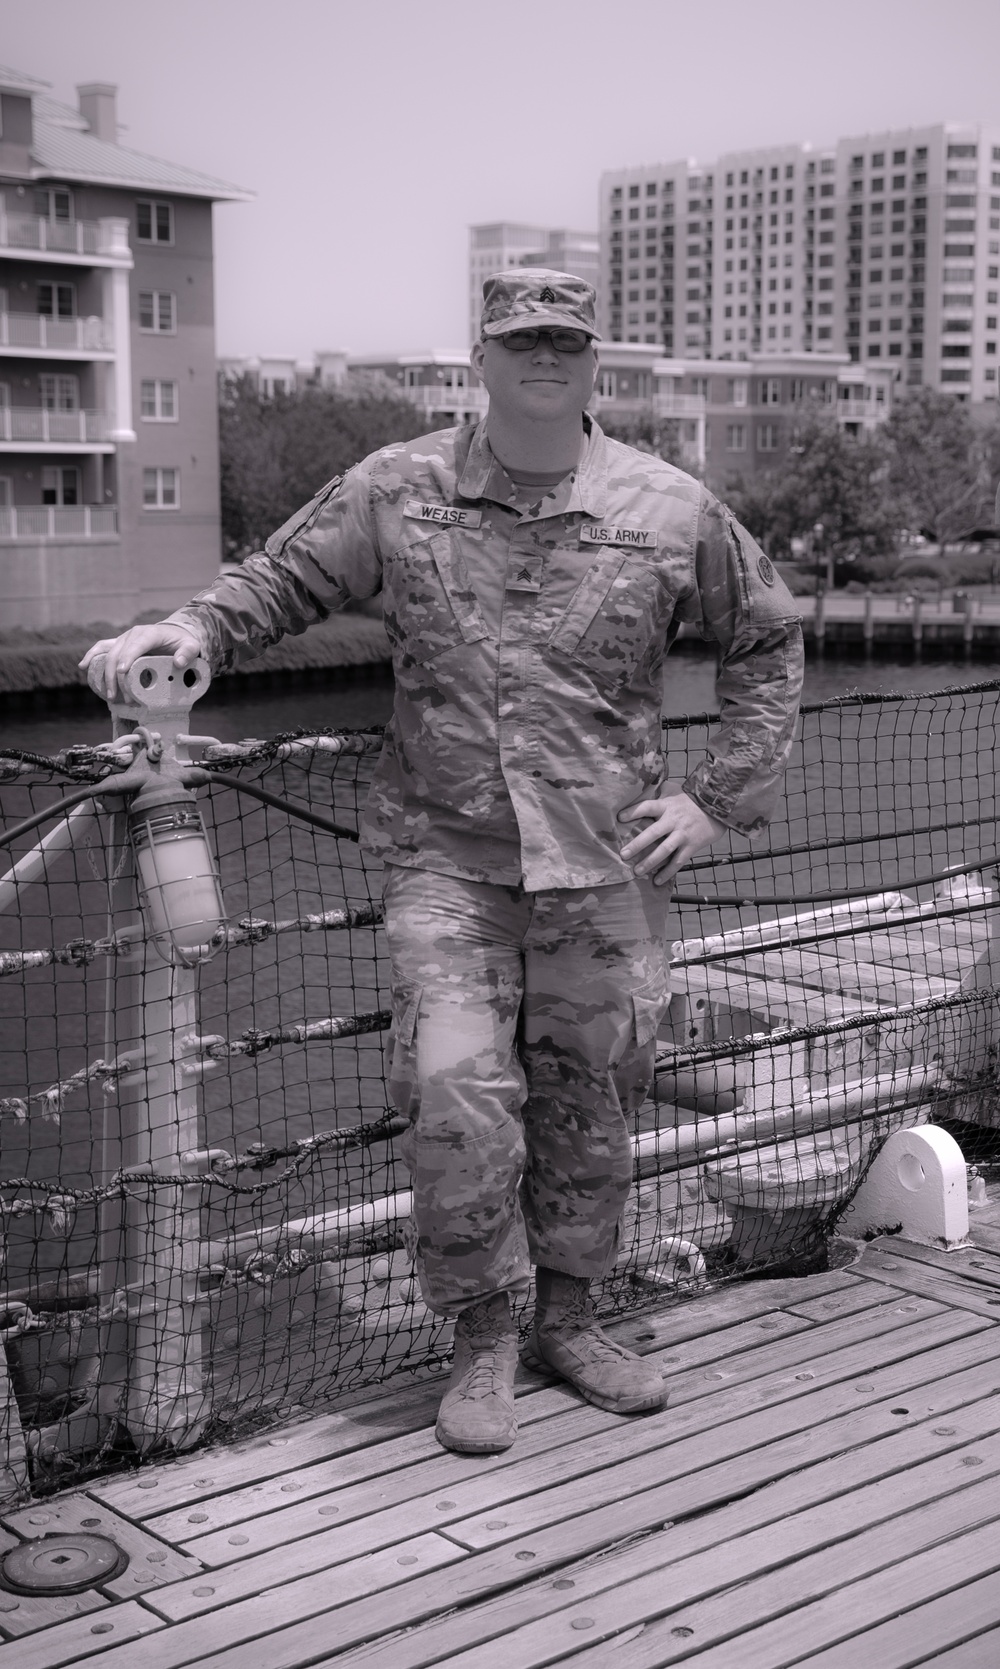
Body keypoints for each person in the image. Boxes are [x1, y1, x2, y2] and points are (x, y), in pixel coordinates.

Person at [83, 269, 804, 1455]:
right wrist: (192, 633)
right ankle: (482, 1337)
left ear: (592, 359)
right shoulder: (398, 487)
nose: (545, 359)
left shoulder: (668, 506)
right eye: (523, 340)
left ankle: (571, 1320)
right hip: (447, 861)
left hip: (606, 865)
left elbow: (768, 642)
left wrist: (717, 800)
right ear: (481, 352)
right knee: (458, 1093)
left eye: (566, 342)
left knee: (595, 1106)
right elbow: (278, 583)